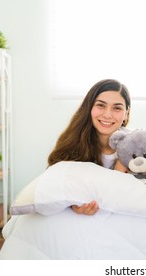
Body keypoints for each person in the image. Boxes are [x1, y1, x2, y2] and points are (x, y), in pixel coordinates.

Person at [48, 79, 131, 214]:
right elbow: (55, 183)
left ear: (126, 113)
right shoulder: (73, 141)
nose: (107, 114)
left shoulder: (135, 145)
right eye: (100, 105)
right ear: (89, 108)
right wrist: (72, 203)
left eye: (117, 108)